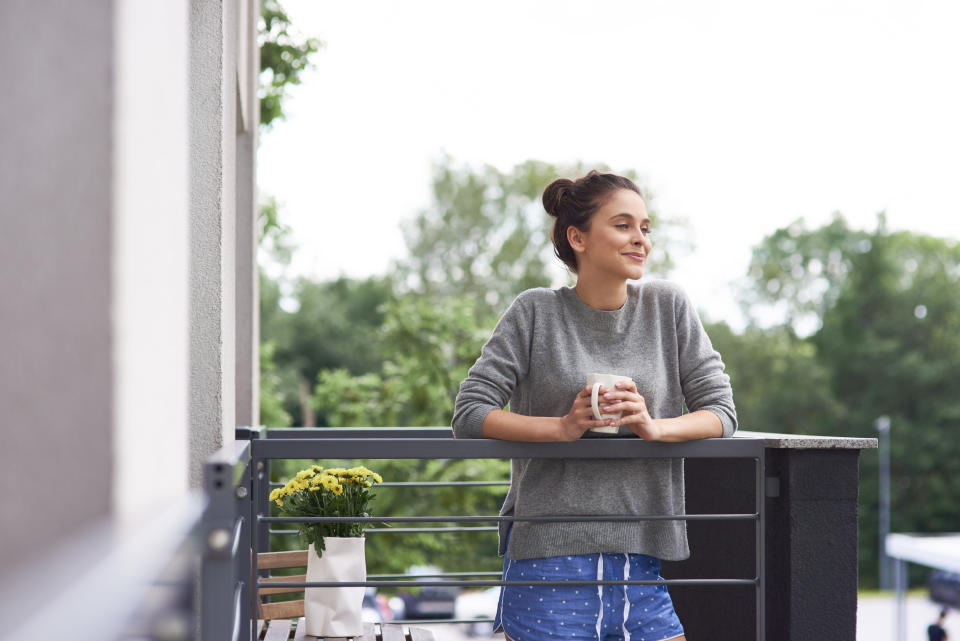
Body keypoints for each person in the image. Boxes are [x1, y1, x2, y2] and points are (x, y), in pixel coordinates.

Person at [452, 170, 737, 641]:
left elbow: (721, 413)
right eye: (623, 225)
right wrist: (562, 427)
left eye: (645, 228)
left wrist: (654, 425)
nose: (640, 239)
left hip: (642, 557)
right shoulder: (535, 311)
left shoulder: (669, 306)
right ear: (577, 237)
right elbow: (470, 412)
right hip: (547, 559)